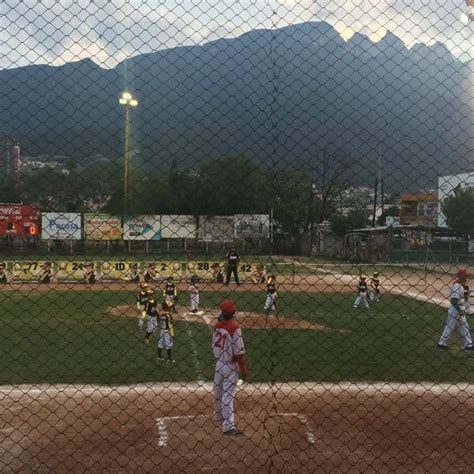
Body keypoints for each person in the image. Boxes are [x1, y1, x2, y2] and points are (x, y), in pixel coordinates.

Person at [212, 299, 248, 436]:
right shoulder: (235, 329)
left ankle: (218, 414)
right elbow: (239, 352)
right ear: (233, 313)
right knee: (228, 395)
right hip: (230, 366)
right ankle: (228, 426)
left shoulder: (217, 326)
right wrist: (243, 369)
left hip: (219, 363)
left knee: (217, 390)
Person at [438, 269, 473, 350]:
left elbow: (465, 300)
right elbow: (454, 301)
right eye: (465, 276)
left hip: (460, 308)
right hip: (455, 309)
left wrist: (469, 311)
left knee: (464, 326)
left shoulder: (463, 286)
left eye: (467, 276)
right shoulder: (456, 285)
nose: (466, 278)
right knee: (450, 326)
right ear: (460, 276)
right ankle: (441, 343)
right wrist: (459, 311)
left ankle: (469, 345)